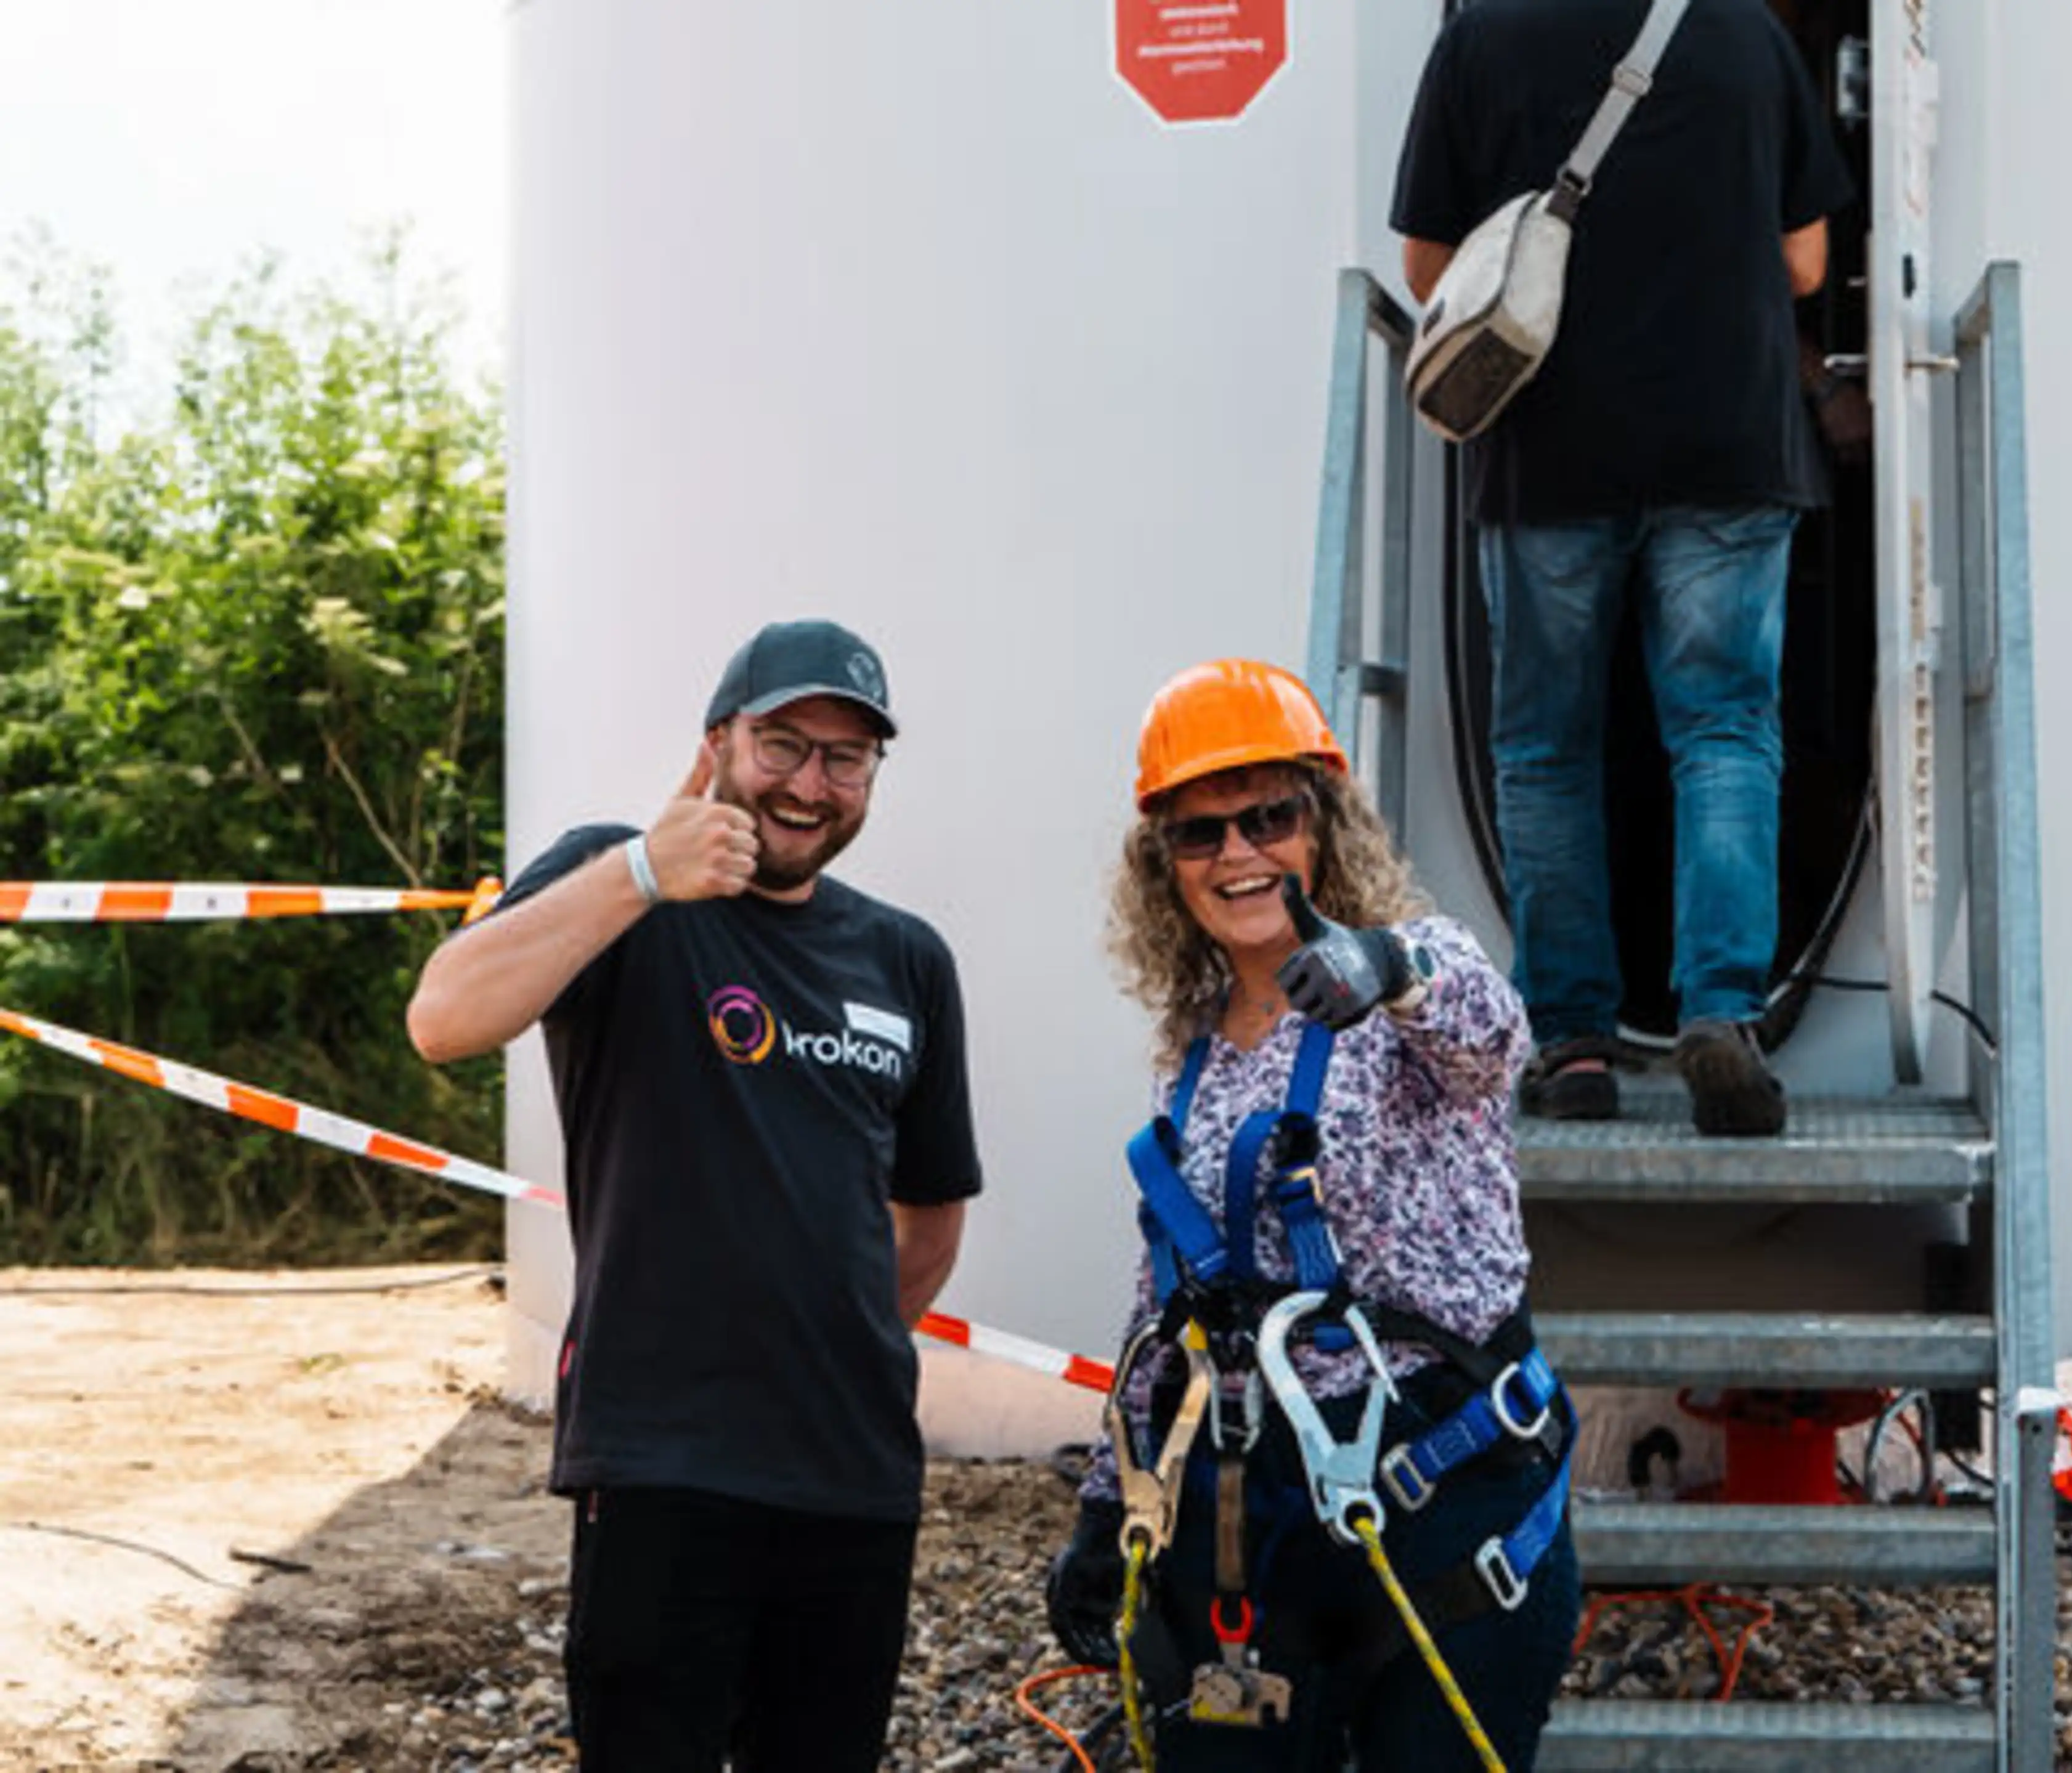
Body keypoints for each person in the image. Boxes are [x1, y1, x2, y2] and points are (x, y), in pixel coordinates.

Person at [405, 619, 981, 1773]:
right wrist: (639, 876)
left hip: (851, 1476)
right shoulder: (617, 879)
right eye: (783, 744)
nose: (812, 784)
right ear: (718, 741)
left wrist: (828, 1343)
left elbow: (928, 1222)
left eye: (847, 756)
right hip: (663, 1468)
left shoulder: (906, 958)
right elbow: (443, 1017)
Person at [1042, 659, 1578, 1771]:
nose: (1238, 854)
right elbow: (1165, 1288)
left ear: (1321, 825)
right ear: (1167, 865)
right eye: (1200, 834)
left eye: (1268, 817)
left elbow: (1495, 1035)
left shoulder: (1416, 987)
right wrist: (1109, 1502)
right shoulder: (1191, 1046)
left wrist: (1382, 963)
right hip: (1255, 1514)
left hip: (1442, 1496)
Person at [1391, 0, 1853, 1135]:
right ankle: (1723, 1014)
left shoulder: (1482, 36)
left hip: (1547, 451)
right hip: (1729, 445)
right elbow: (1805, 265)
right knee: (1726, 730)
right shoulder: (1747, 33)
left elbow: (1426, 264)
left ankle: (1577, 1044)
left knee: (1547, 750)